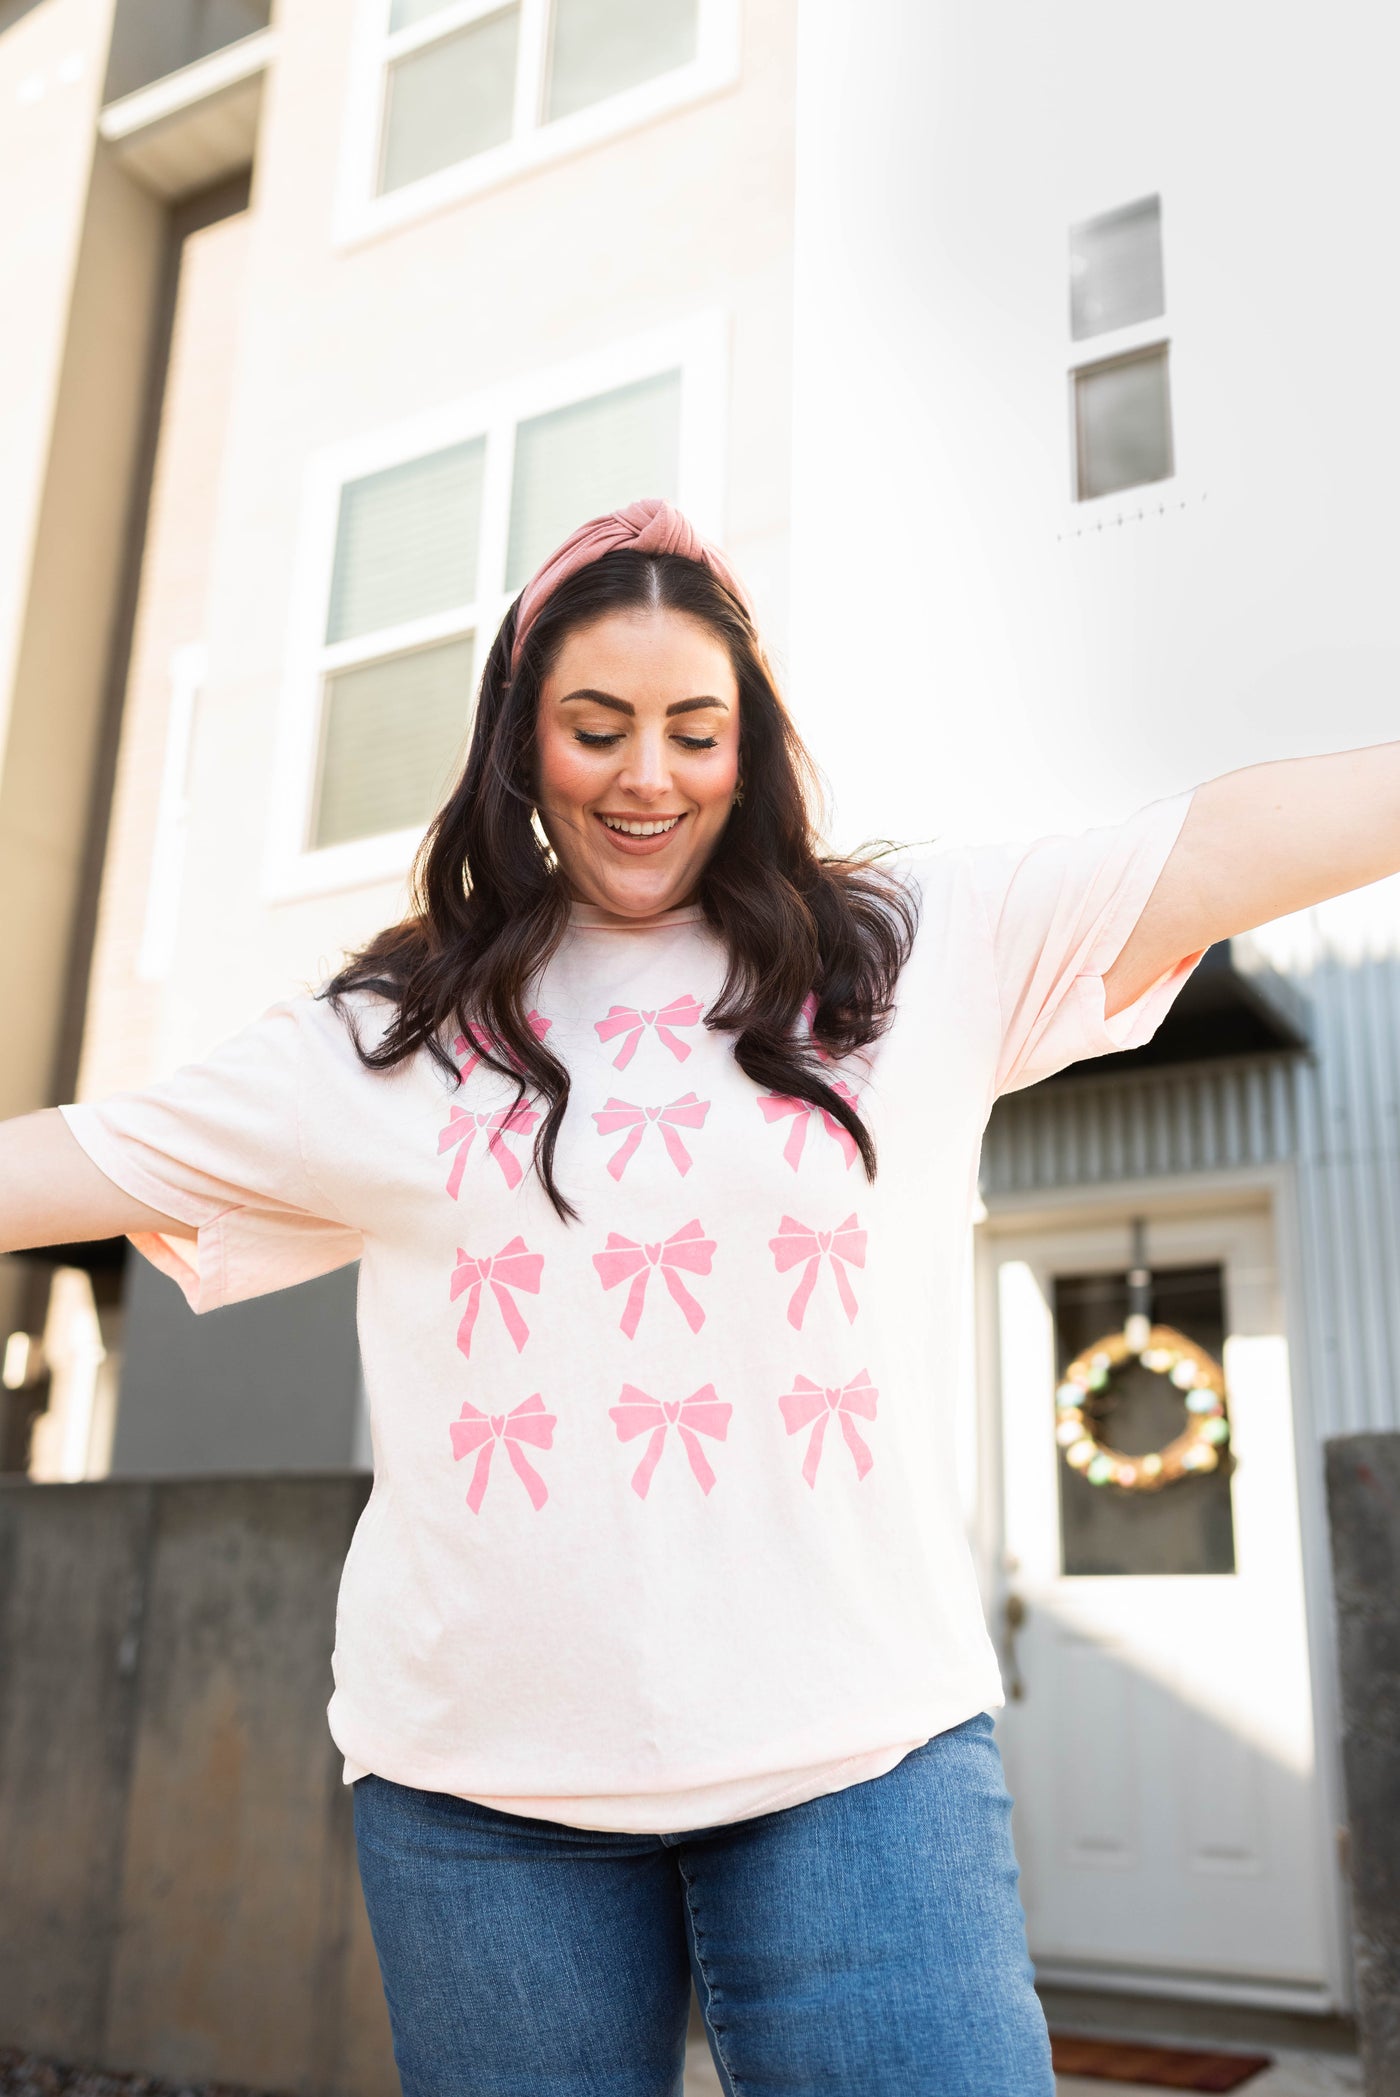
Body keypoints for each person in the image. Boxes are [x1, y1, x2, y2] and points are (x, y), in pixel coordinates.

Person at [2, 497, 1396, 2096]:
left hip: (863, 1769)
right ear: (523, 749)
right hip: (485, 1803)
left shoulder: (913, 950)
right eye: (597, 729)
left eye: (693, 728)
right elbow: (80, 1159)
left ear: (751, 743)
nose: (647, 775)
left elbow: (1217, 842)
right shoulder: (390, 1034)